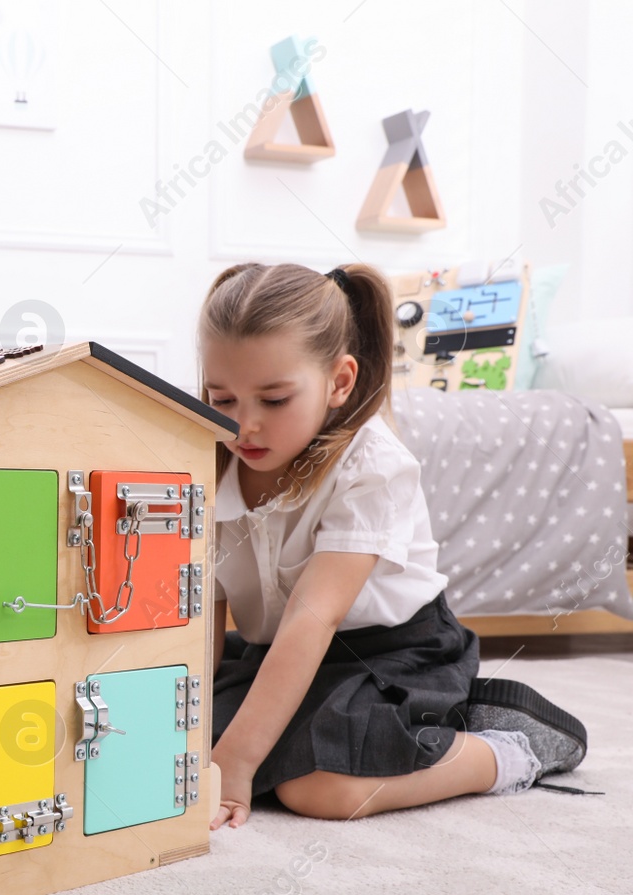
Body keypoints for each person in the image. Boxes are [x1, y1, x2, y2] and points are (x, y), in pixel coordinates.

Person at [201, 262, 588, 830]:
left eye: (275, 400)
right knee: (182, 738)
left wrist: (233, 762)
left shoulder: (371, 466)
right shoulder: (202, 460)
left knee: (318, 790)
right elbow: (201, 615)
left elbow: (313, 619)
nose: (245, 427)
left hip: (390, 654)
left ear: (339, 382)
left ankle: (505, 749)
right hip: (279, 656)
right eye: (222, 399)